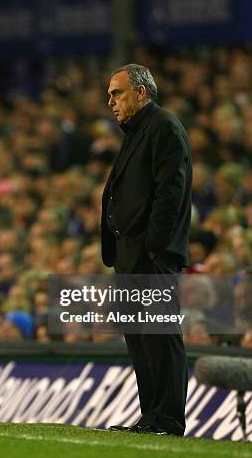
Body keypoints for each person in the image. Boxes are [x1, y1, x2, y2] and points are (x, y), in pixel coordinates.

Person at [101, 64, 192, 436]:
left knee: (159, 336)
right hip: (129, 255)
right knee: (140, 339)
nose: (110, 102)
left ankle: (168, 419)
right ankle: (151, 417)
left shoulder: (164, 127)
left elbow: (170, 191)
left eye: (117, 93)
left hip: (150, 256)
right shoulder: (137, 132)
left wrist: (155, 247)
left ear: (141, 93)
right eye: (109, 95)